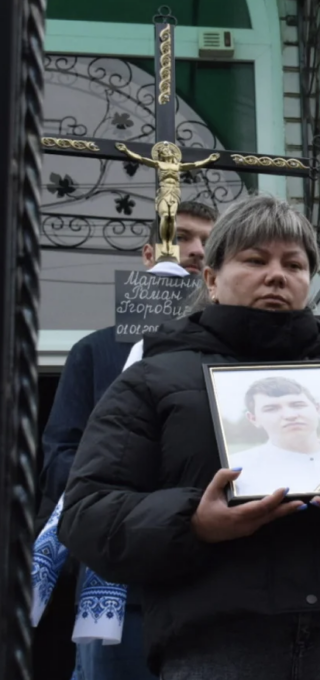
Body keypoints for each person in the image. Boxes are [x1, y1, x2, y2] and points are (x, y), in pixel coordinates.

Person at [58, 195, 320, 680]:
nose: (277, 275)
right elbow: (88, 511)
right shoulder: (151, 380)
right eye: (255, 260)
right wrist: (193, 521)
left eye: (294, 264)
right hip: (214, 647)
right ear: (211, 278)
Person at [34, 200, 216, 680]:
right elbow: (60, 460)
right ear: (148, 253)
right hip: (119, 581)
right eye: (183, 237)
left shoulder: (229, 355)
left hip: (212, 576)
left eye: (207, 242)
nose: (195, 251)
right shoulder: (95, 352)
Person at [230, 376, 320, 498]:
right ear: (253, 419)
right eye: (271, 409)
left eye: (297, 405)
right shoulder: (237, 468)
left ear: (317, 409)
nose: (289, 415)